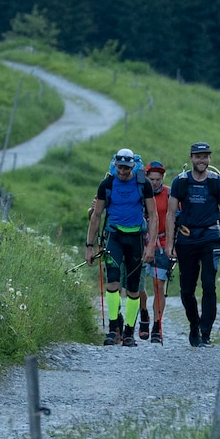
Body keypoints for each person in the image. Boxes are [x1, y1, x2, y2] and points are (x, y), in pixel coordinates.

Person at [87, 148, 158, 346]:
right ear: (115, 165)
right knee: (112, 284)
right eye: (120, 167)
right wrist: (89, 246)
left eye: (127, 168)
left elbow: (153, 216)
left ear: (133, 166)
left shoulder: (143, 184)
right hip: (114, 238)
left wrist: (151, 246)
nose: (123, 171)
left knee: (134, 289)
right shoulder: (107, 184)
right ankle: (113, 329)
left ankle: (129, 332)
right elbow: (96, 215)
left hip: (135, 238)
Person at [168, 142, 220, 346]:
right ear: (191, 158)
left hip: (210, 238)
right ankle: (194, 325)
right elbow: (170, 214)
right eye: (198, 156)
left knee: (209, 285)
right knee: (187, 290)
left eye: (205, 156)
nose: (201, 160)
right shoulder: (180, 182)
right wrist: (170, 244)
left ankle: (205, 333)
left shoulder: (217, 182)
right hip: (186, 239)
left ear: (210, 159)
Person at [142, 159, 172, 342]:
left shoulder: (169, 194)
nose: (154, 183)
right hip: (141, 242)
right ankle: (144, 312)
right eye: (151, 179)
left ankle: (157, 326)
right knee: (137, 286)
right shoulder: (140, 193)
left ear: (162, 178)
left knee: (158, 284)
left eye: (158, 179)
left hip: (162, 243)